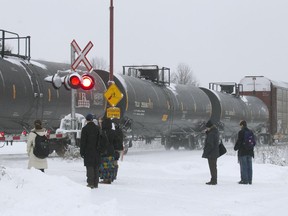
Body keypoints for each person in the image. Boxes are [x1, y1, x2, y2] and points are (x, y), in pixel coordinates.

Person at [80, 114, 100, 189]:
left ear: (86, 120)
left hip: (88, 151)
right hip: (97, 150)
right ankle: (96, 183)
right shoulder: (97, 128)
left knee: (90, 166)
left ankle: (90, 183)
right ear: (92, 119)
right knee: (96, 166)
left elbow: (83, 142)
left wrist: (82, 152)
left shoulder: (85, 129)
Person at [234, 120, 254, 185]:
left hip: (243, 152)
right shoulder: (250, 132)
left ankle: (244, 180)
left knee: (244, 166)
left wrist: (235, 148)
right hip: (250, 152)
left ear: (242, 125)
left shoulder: (241, 132)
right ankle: (250, 180)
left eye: (240, 125)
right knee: (249, 166)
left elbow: (239, 141)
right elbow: (253, 142)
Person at [98, 117, 116, 184]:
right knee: (110, 165)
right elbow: (115, 142)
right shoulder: (113, 132)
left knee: (104, 165)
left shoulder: (102, 132)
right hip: (111, 150)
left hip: (104, 151)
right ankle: (109, 178)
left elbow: (100, 142)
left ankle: (105, 179)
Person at [202, 120, 220, 185]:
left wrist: (206, 152)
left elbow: (210, 144)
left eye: (207, 127)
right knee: (214, 167)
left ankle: (213, 180)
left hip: (211, 154)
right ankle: (214, 179)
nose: (206, 129)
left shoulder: (211, 134)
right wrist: (207, 133)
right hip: (214, 152)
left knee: (212, 167)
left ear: (209, 127)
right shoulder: (215, 132)